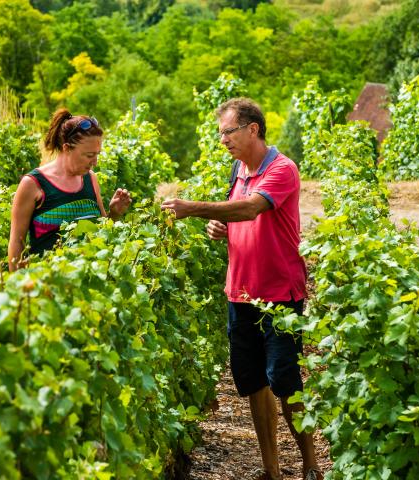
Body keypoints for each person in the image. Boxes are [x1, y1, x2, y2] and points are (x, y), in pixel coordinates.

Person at [161, 98, 322, 480]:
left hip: (278, 294)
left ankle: (311, 465)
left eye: (228, 132)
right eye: (220, 134)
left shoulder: (282, 169)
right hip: (240, 292)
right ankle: (272, 470)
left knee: (285, 381)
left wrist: (193, 208)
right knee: (253, 383)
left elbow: (251, 209)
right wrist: (220, 228)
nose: (223, 141)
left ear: (253, 129)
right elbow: (239, 218)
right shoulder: (239, 169)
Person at [8, 109, 131, 271]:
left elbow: (102, 233)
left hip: (89, 283)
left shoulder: (90, 179)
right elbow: (17, 243)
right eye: (88, 155)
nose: (95, 162)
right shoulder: (33, 185)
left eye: (97, 154)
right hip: (48, 285)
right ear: (67, 148)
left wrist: (114, 214)